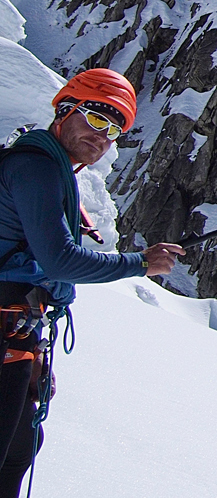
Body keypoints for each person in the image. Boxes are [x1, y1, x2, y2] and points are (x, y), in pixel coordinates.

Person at [0, 68, 183, 496]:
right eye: (96, 119)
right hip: (8, 326)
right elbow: (60, 260)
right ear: (65, 110)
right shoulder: (35, 167)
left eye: (114, 130)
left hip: (18, 329)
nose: (102, 137)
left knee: (16, 454)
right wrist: (140, 263)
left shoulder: (44, 167)